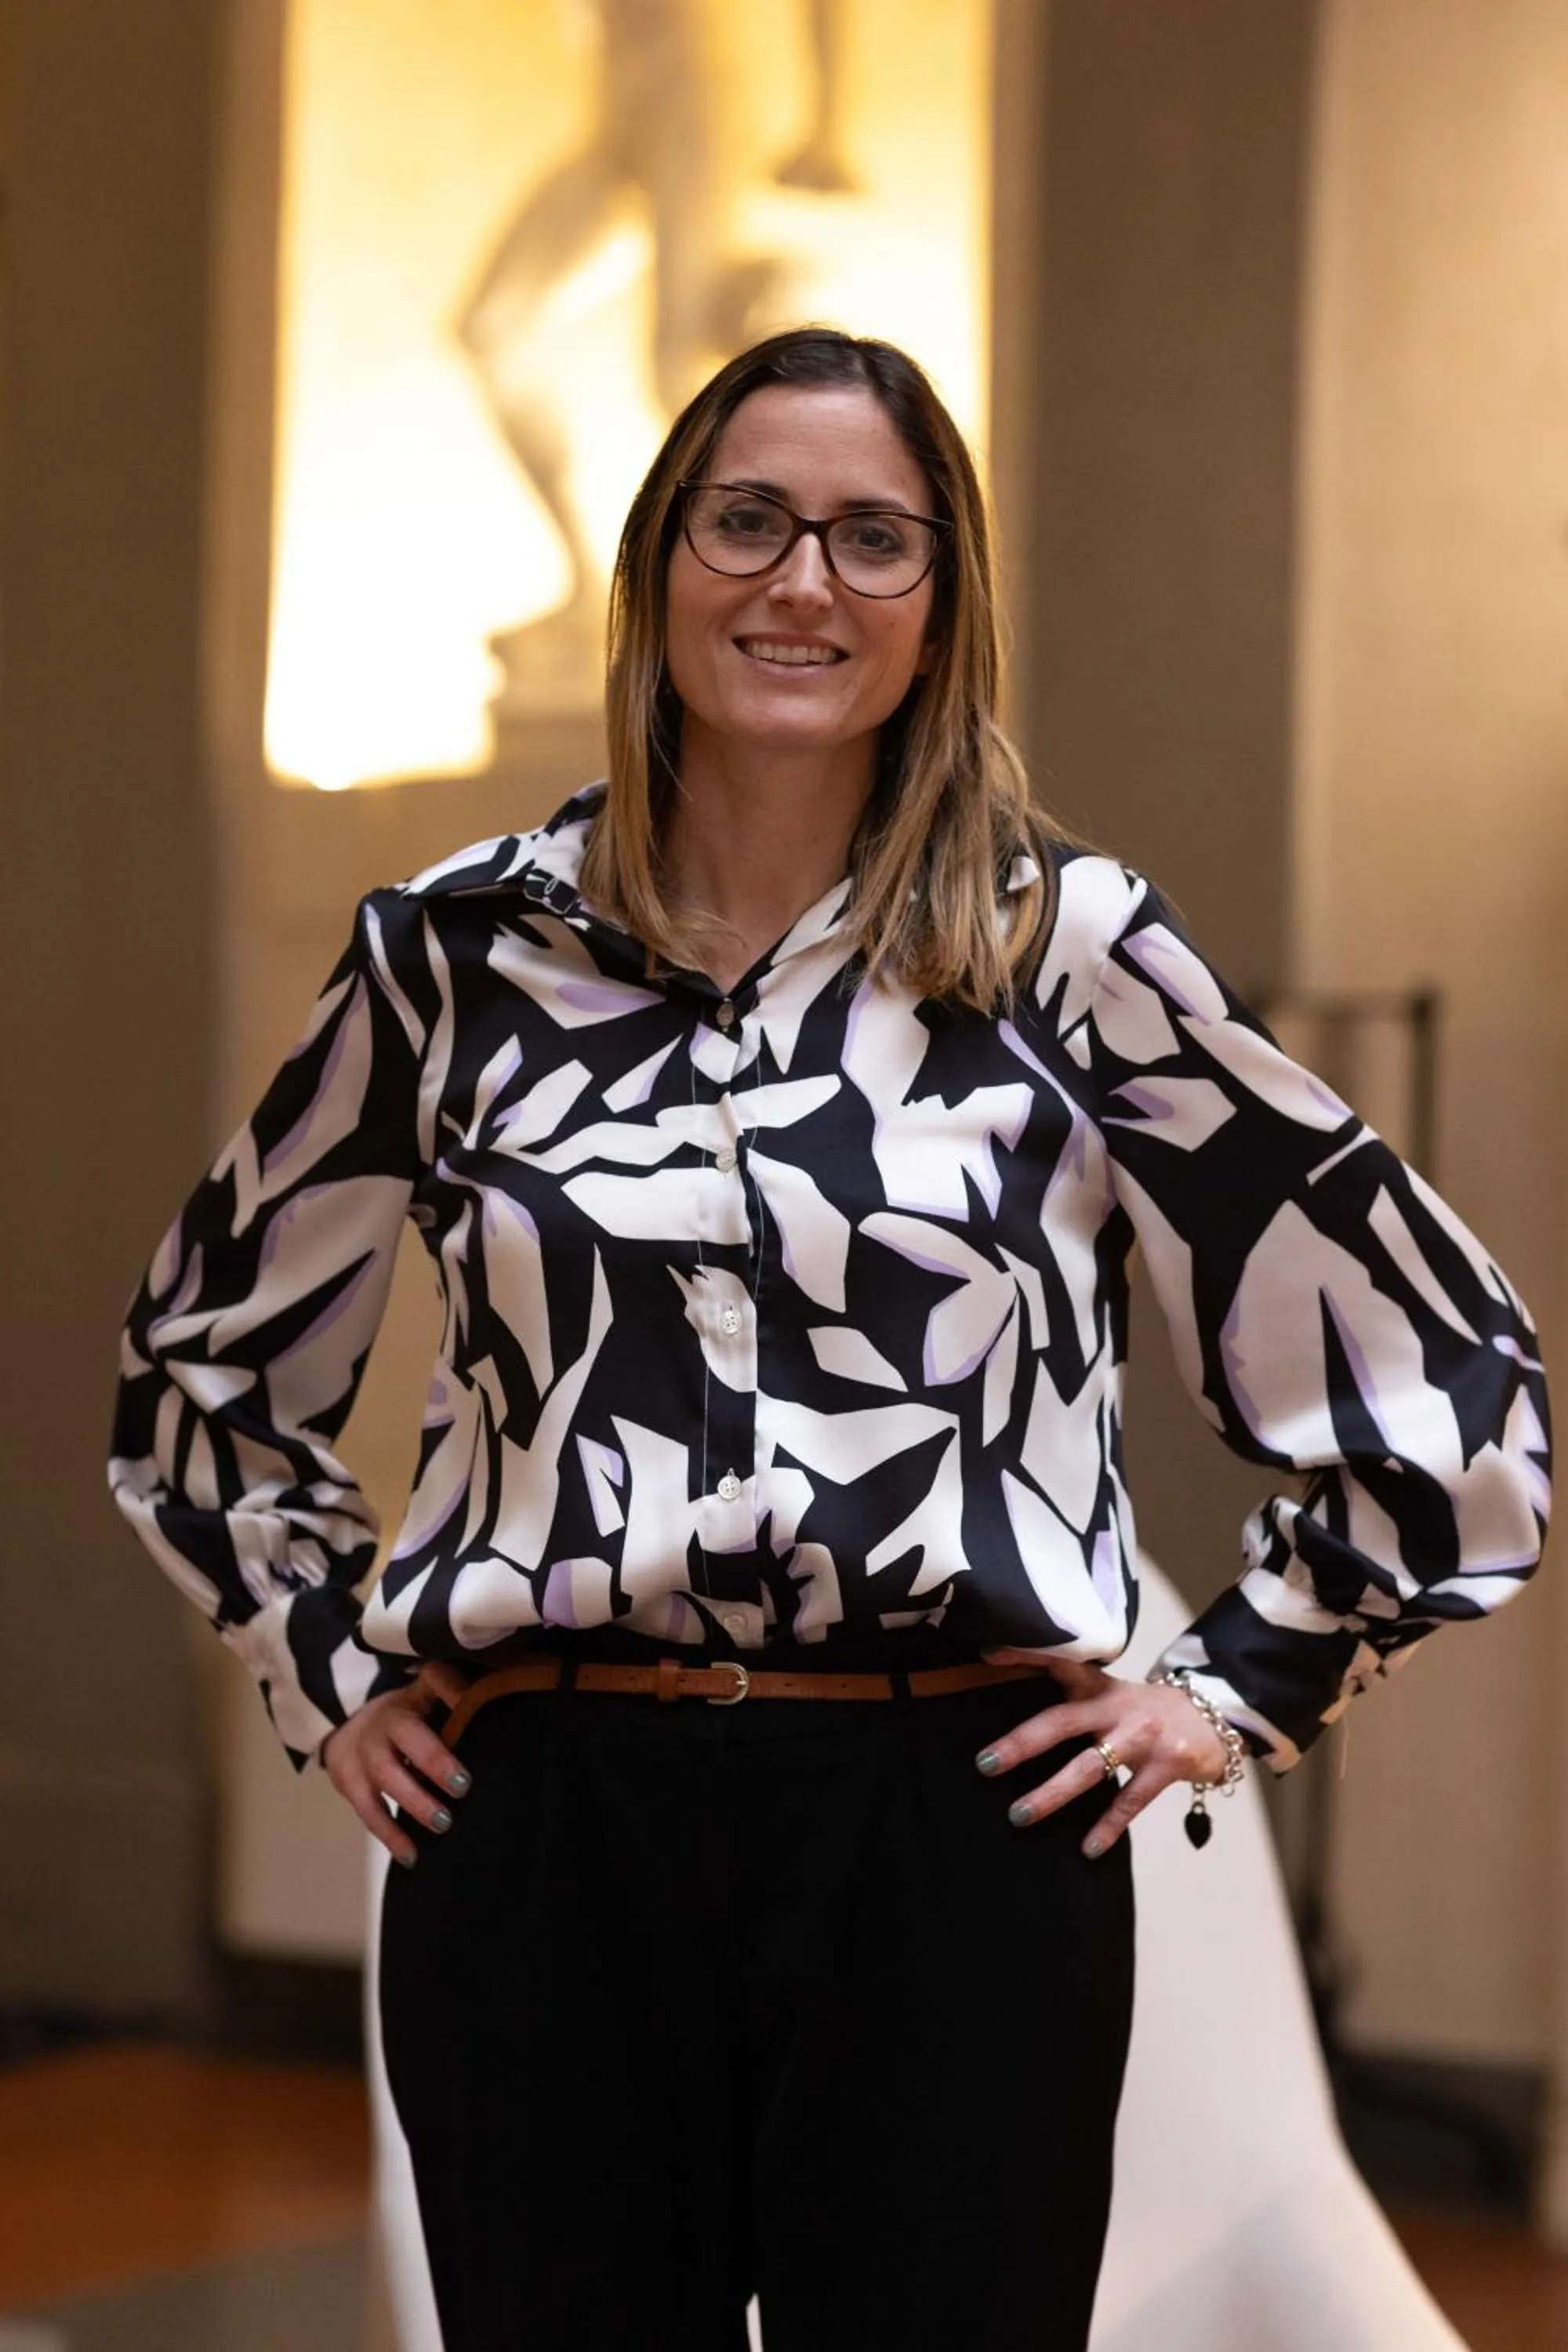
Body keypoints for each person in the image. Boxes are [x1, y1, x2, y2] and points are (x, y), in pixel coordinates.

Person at [109, 326, 1551, 2352]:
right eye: (752, 522)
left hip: (951, 1841)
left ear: (943, 606)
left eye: (878, 541)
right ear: (659, 566)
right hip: (548, 1842)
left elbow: (1445, 1369)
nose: (806, 583)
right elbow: (204, 1370)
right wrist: (330, 1665)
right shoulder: (454, 961)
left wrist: (1233, 1689)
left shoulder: (1070, 956)